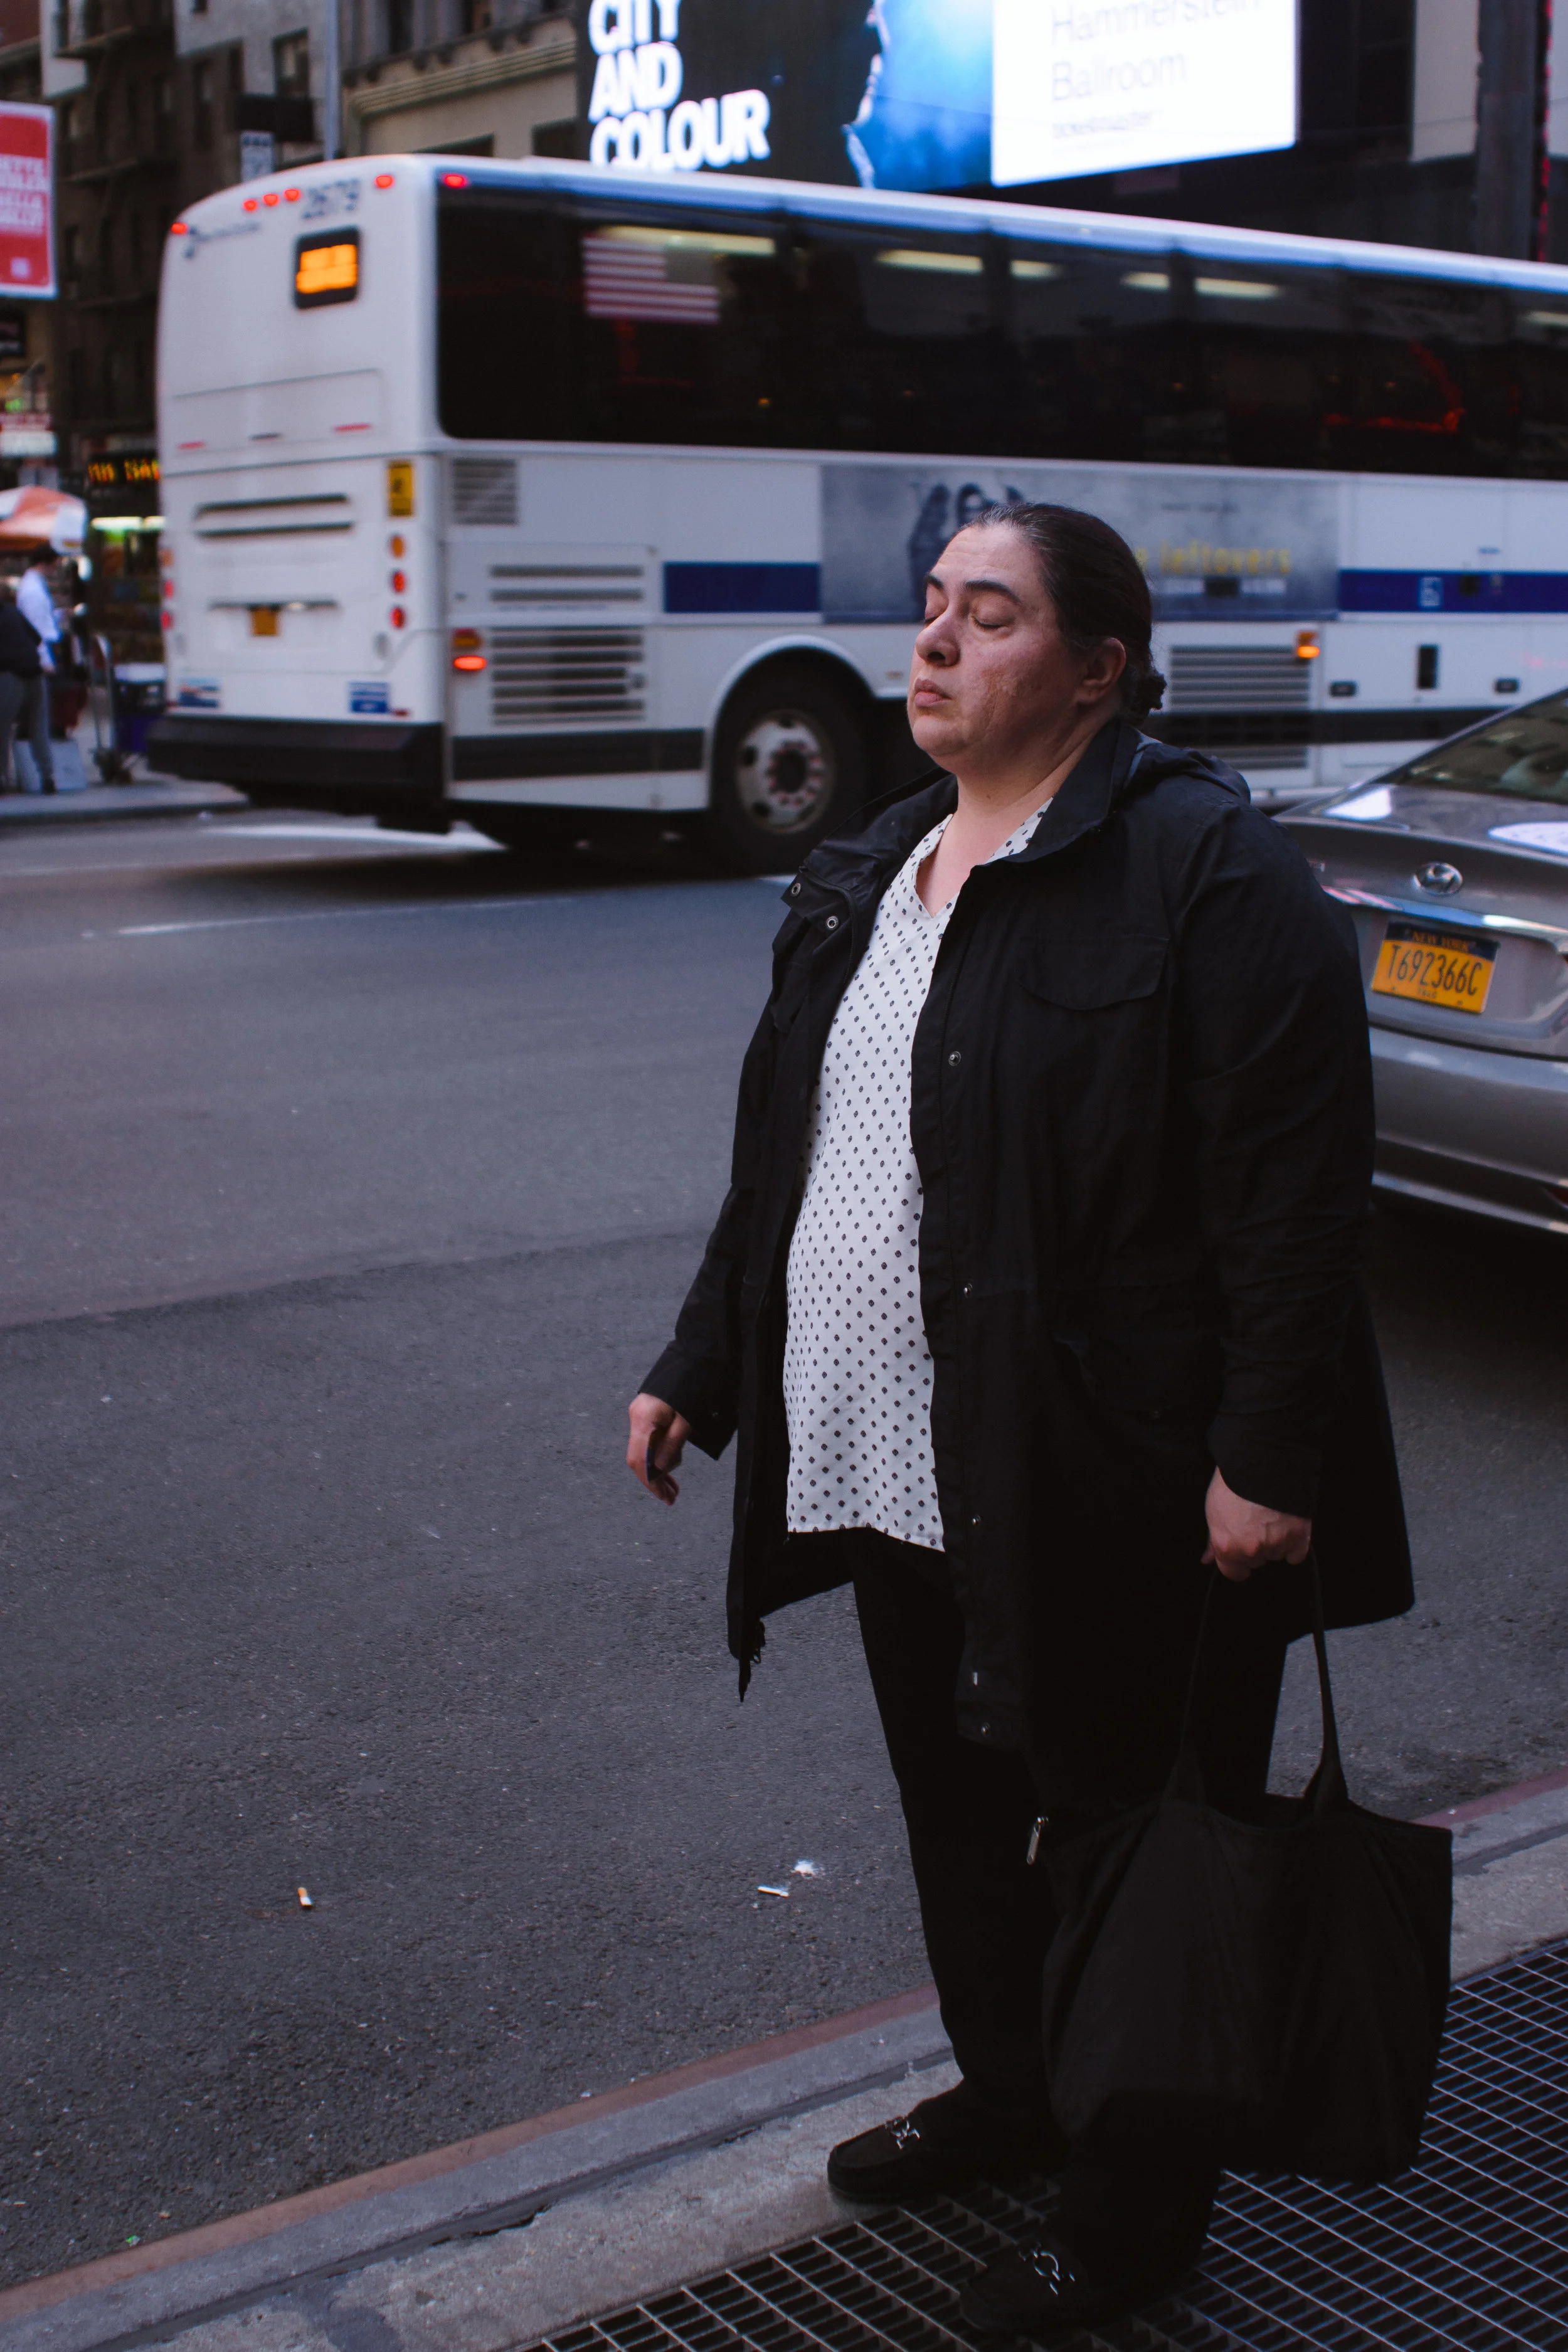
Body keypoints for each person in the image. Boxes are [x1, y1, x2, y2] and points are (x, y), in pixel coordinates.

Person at [625, 502, 1410, 2336]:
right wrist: (699, 1362)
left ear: (1095, 668)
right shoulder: (874, 862)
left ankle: (1134, 2211)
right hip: (902, 1454)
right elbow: (790, 1156)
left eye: (988, 615)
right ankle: (1015, 2092)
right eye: (931, 607)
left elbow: (1295, 1199)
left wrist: (1265, 1458)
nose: (933, 642)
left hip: (1116, 1475)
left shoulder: (1208, 873)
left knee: (1138, 1845)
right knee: (964, 1813)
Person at [14, 548, 58, 792]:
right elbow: (37, 631)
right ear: (46, 563)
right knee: (38, 720)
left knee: (31, 721)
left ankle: (38, 773)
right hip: (34, 663)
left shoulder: (31, 587)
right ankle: (45, 774)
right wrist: (45, 660)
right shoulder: (33, 591)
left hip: (29, 661)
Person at [0, 573, 45, 792]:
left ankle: (2, 777)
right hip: (35, 670)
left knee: (3, 727)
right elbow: (36, 637)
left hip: (11, 674)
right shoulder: (13, 612)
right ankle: (48, 777)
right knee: (38, 726)